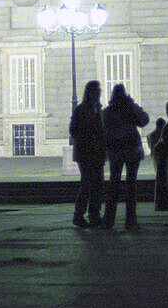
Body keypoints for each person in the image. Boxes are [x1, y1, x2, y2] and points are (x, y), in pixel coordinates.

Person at [102, 83, 150, 231]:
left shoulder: (108, 111)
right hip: (131, 149)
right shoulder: (130, 108)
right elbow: (144, 120)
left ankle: (108, 220)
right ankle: (131, 221)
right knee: (131, 186)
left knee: (113, 184)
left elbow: (102, 129)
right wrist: (133, 106)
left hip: (115, 150)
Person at [69, 80, 106, 228]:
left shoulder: (98, 110)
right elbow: (73, 130)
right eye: (96, 91)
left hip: (96, 153)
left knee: (96, 185)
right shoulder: (81, 110)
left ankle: (92, 215)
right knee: (88, 184)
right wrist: (88, 137)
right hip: (86, 153)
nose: (98, 93)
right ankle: (80, 215)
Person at [147, 118, 168, 211]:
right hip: (164, 157)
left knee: (159, 175)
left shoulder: (150, 135)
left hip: (156, 156)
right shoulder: (165, 135)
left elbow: (151, 147)